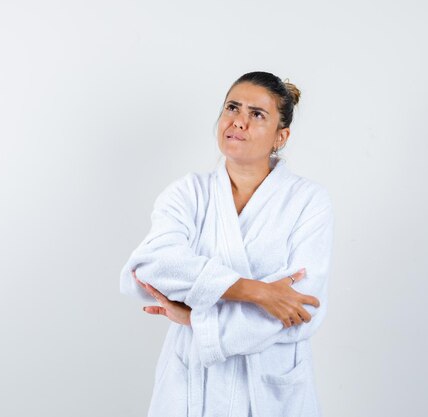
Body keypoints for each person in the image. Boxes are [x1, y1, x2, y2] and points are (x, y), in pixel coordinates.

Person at [119, 71, 334, 417]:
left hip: (269, 391)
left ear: (281, 136)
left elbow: (302, 308)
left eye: (257, 114)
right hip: (191, 385)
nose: (239, 122)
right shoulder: (188, 193)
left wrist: (197, 320)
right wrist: (256, 292)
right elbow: (152, 265)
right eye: (232, 108)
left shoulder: (307, 202)